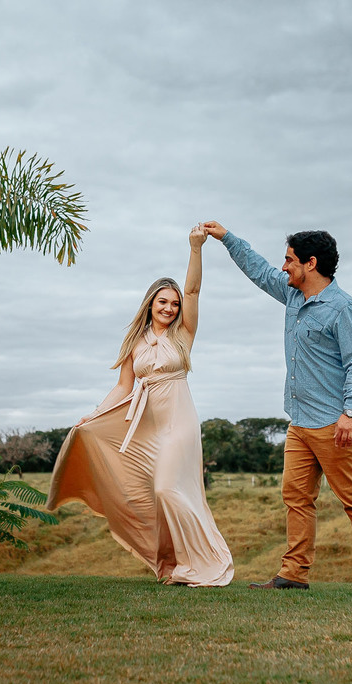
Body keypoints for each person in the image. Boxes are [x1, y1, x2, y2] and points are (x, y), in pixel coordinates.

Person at [202, 221, 352, 594]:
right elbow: (258, 270)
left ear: (310, 264)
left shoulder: (344, 309)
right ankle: (293, 575)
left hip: (338, 423)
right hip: (300, 421)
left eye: (289, 260)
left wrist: (350, 413)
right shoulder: (293, 297)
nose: (283, 267)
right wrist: (226, 238)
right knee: (296, 498)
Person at [47, 225, 234, 587]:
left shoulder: (183, 335)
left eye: (174, 303)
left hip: (179, 421)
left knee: (168, 489)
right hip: (146, 424)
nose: (170, 307)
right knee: (152, 497)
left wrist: (195, 248)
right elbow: (123, 387)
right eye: (163, 301)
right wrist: (95, 415)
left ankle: (207, 561)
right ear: (150, 303)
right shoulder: (136, 341)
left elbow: (193, 289)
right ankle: (174, 563)